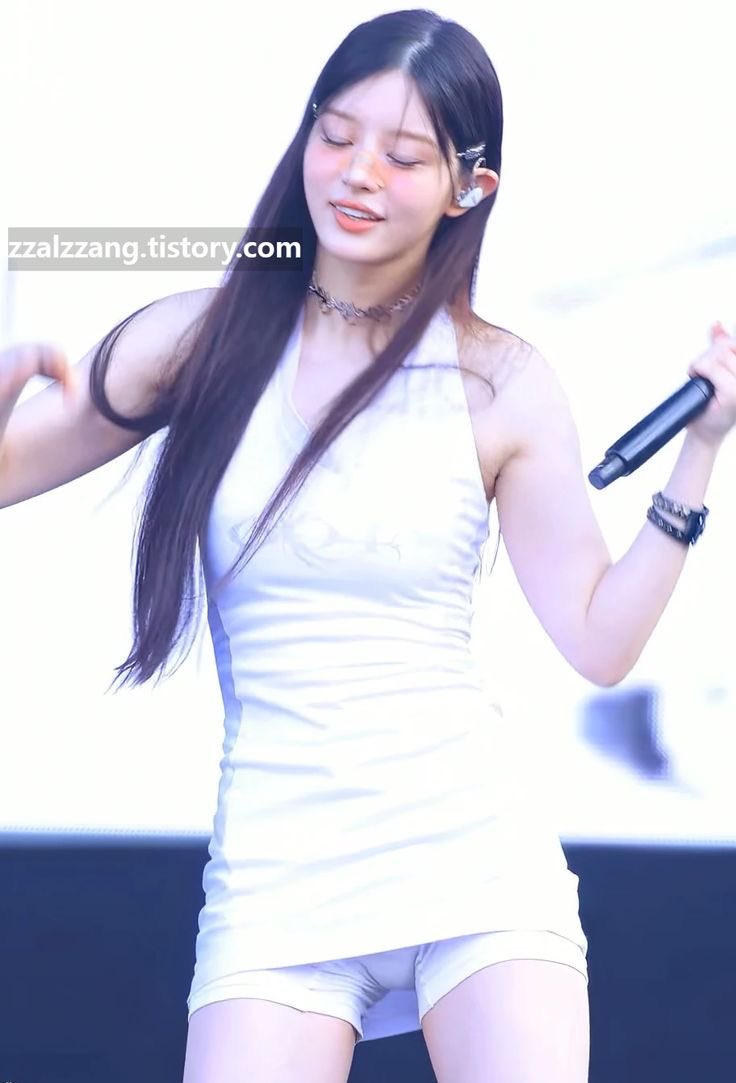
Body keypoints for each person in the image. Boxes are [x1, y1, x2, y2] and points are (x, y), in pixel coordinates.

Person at [1, 9, 735, 1083]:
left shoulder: (499, 380)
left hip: (476, 869)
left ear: (468, 187)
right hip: (277, 884)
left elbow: (598, 640)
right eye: (335, 135)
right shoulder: (198, 341)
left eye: (402, 156)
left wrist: (698, 453)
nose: (355, 174)